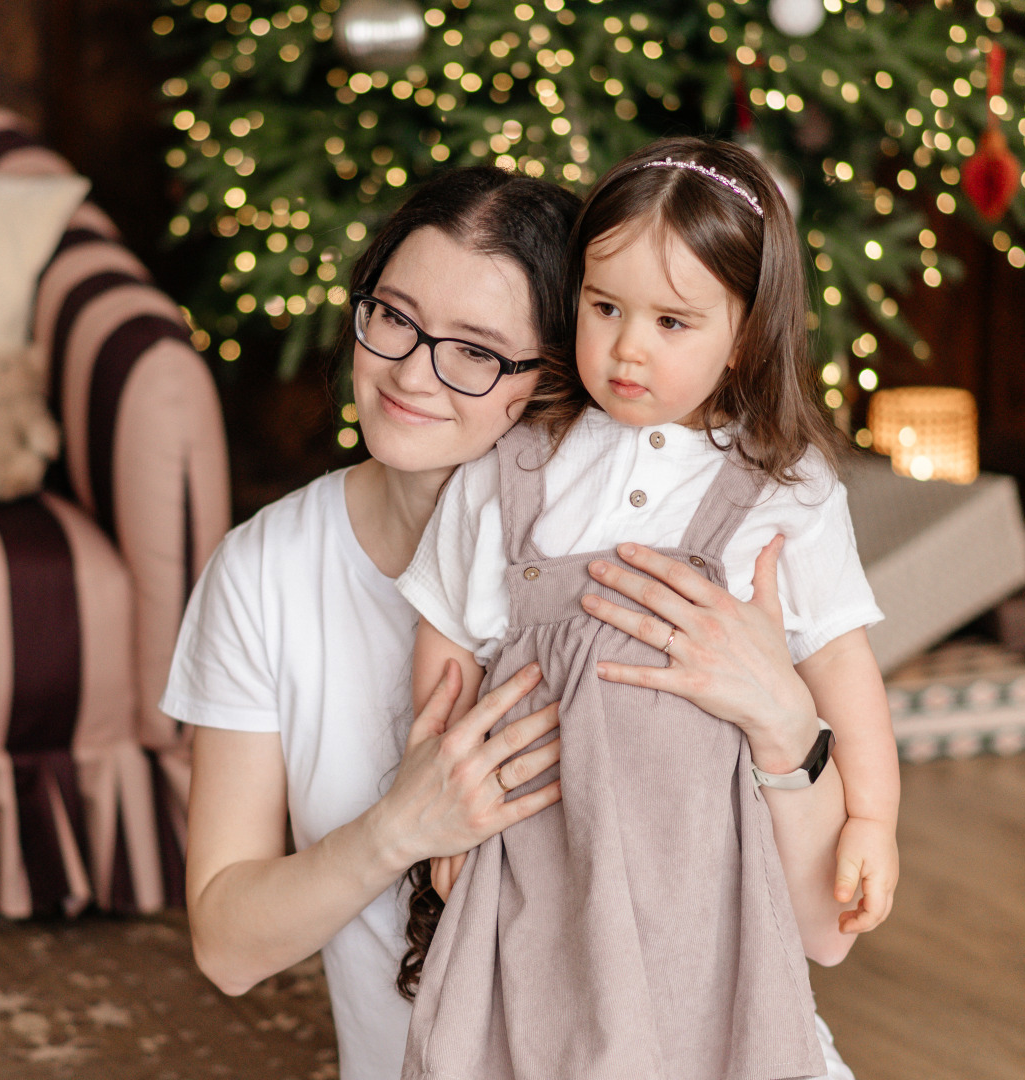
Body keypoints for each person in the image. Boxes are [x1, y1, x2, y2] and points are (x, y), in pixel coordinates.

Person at [163, 163, 860, 1080]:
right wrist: (400, 829)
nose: (413, 371)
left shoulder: (695, 568)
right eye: (394, 317)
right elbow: (226, 944)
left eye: (477, 350)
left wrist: (784, 724)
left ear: (552, 377)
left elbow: (823, 936)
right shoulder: (264, 570)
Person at [394, 138, 898, 1080]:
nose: (628, 345)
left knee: (697, 1028)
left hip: (701, 864)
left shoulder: (784, 491)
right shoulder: (517, 466)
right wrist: (440, 819)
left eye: (673, 321)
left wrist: (869, 819)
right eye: (604, 307)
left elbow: (842, 672)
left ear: (743, 334)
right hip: (537, 843)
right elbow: (446, 648)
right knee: (516, 1025)